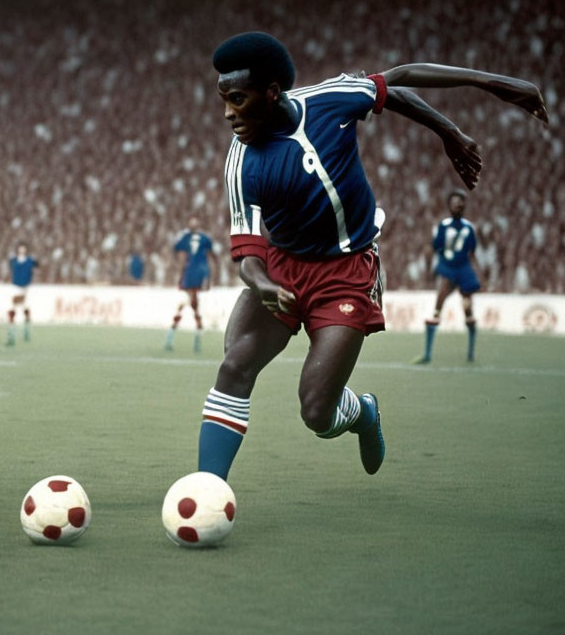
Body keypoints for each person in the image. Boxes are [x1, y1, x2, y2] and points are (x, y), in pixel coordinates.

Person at [196, 31, 547, 481]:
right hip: (280, 267)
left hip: (346, 272)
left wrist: (464, 115)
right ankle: (207, 489)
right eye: (223, 100)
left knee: (317, 412)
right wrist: (264, 285)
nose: (228, 113)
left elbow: (399, 81)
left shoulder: (330, 101)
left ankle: (362, 412)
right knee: (235, 363)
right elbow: (247, 256)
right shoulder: (240, 159)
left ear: (271, 93)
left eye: (238, 100)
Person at [414, 189, 480, 364]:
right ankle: (427, 354)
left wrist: (477, 272)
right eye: (454, 202)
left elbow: (472, 253)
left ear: (464, 205)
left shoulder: (469, 227)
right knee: (438, 305)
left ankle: (471, 353)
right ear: (449, 206)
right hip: (448, 269)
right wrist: (429, 268)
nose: (458, 205)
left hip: (464, 270)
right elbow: (434, 247)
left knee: (468, 309)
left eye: (460, 202)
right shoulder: (443, 226)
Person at [165, 217, 218, 352]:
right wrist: (210, 276)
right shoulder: (205, 238)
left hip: (190, 273)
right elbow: (213, 256)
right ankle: (196, 336)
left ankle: (174, 335)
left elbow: (180, 255)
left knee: (189, 303)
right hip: (200, 273)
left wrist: (180, 274)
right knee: (192, 303)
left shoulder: (185, 237)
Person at [7, 242, 38, 345]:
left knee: (25, 309)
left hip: (25, 288)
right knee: (13, 309)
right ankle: (11, 334)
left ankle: (26, 331)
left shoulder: (29, 260)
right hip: (16, 287)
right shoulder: (14, 260)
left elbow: (37, 264)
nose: (22, 251)